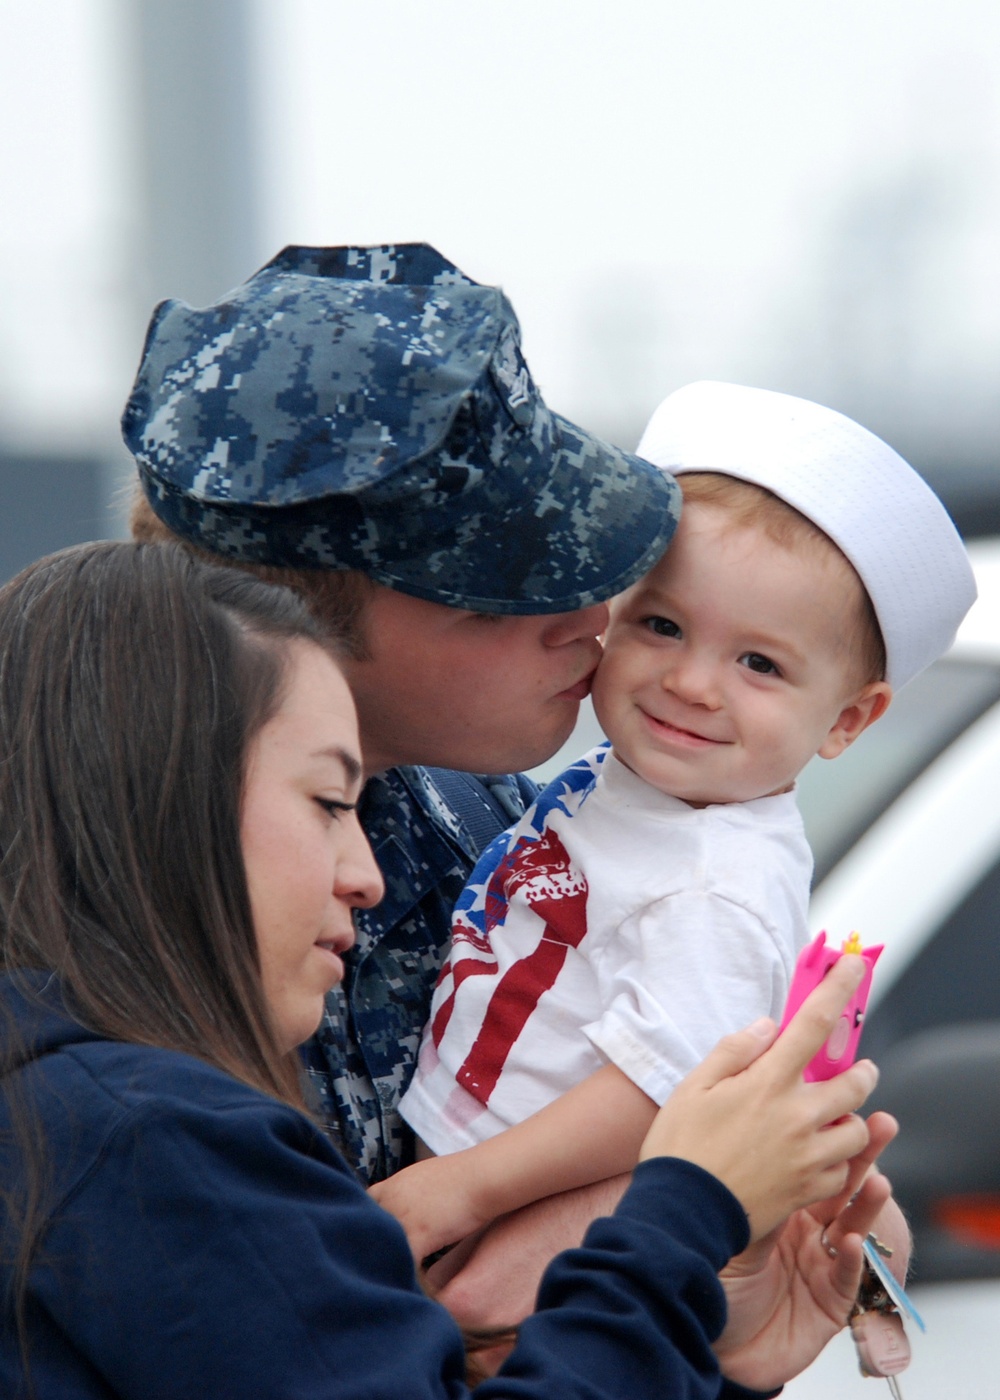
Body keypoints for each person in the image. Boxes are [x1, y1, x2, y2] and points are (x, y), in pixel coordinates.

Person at [120, 253, 913, 1372]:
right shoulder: (100, 921)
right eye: (515, 574)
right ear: (310, 608)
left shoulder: (493, 811)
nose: (586, 611)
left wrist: (724, 1324)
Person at [0, 539, 889, 1400]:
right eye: (328, 801)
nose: (369, 874)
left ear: (851, 718)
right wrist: (687, 1215)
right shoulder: (150, 1138)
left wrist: (722, 1355)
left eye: (761, 664)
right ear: (162, 794)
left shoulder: (106, 1108)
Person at [383, 382, 976, 1268]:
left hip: (520, 1226)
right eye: (662, 625)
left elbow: (660, 1091)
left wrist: (455, 1193)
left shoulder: (716, 884)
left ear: (849, 720)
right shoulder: (632, 791)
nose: (694, 684)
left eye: (759, 663)